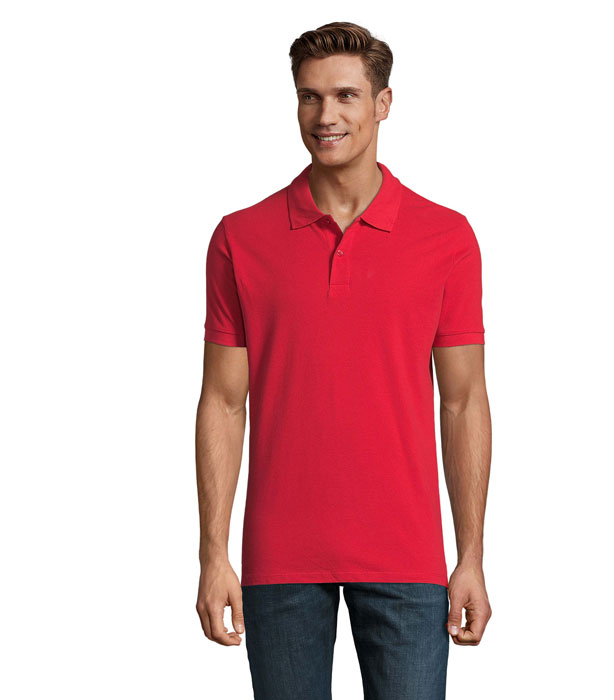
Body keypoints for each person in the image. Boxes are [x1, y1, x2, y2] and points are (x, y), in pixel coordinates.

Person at [195, 21, 492, 700]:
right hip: (280, 558)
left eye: (346, 96)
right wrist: (214, 554)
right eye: (310, 96)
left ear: (383, 103)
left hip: (407, 557)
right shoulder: (241, 238)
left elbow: (463, 400)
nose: (325, 115)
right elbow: (223, 401)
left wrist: (470, 554)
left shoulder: (446, 238)